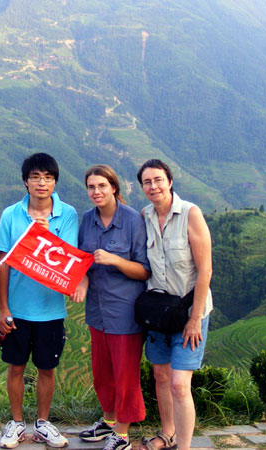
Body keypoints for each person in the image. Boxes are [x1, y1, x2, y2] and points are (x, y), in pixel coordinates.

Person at [0, 153, 78, 449]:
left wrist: (42, 237)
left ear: (55, 182)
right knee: (15, 367)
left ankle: (42, 423)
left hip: (51, 309)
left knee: (46, 369)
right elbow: (3, 262)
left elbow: (66, 256)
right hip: (17, 308)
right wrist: (4, 308)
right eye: (35, 177)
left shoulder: (67, 214)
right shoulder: (10, 215)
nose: (42, 183)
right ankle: (16, 423)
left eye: (48, 177)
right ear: (25, 181)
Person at [70, 165, 151, 450]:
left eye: (101, 186)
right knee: (102, 372)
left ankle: (123, 434)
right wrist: (81, 281)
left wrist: (115, 260)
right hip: (97, 311)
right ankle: (108, 421)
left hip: (125, 312)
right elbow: (82, 260)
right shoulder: (87, 219)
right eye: (91, 187)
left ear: (113, 187)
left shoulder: (132, 220)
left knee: (125, 375)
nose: (96, 192)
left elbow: (143, 270)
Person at [137, 159, 213, 450]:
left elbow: (205, 269)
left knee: (181, 384)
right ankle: (166, 433)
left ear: (169, 181)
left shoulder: (191, 214)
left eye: (158, 180)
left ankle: (184, 446)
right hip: (158, 313)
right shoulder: (144, 215)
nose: (153, 186)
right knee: (160, 374)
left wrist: (194, 318)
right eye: (147, 182)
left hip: (190, 312)